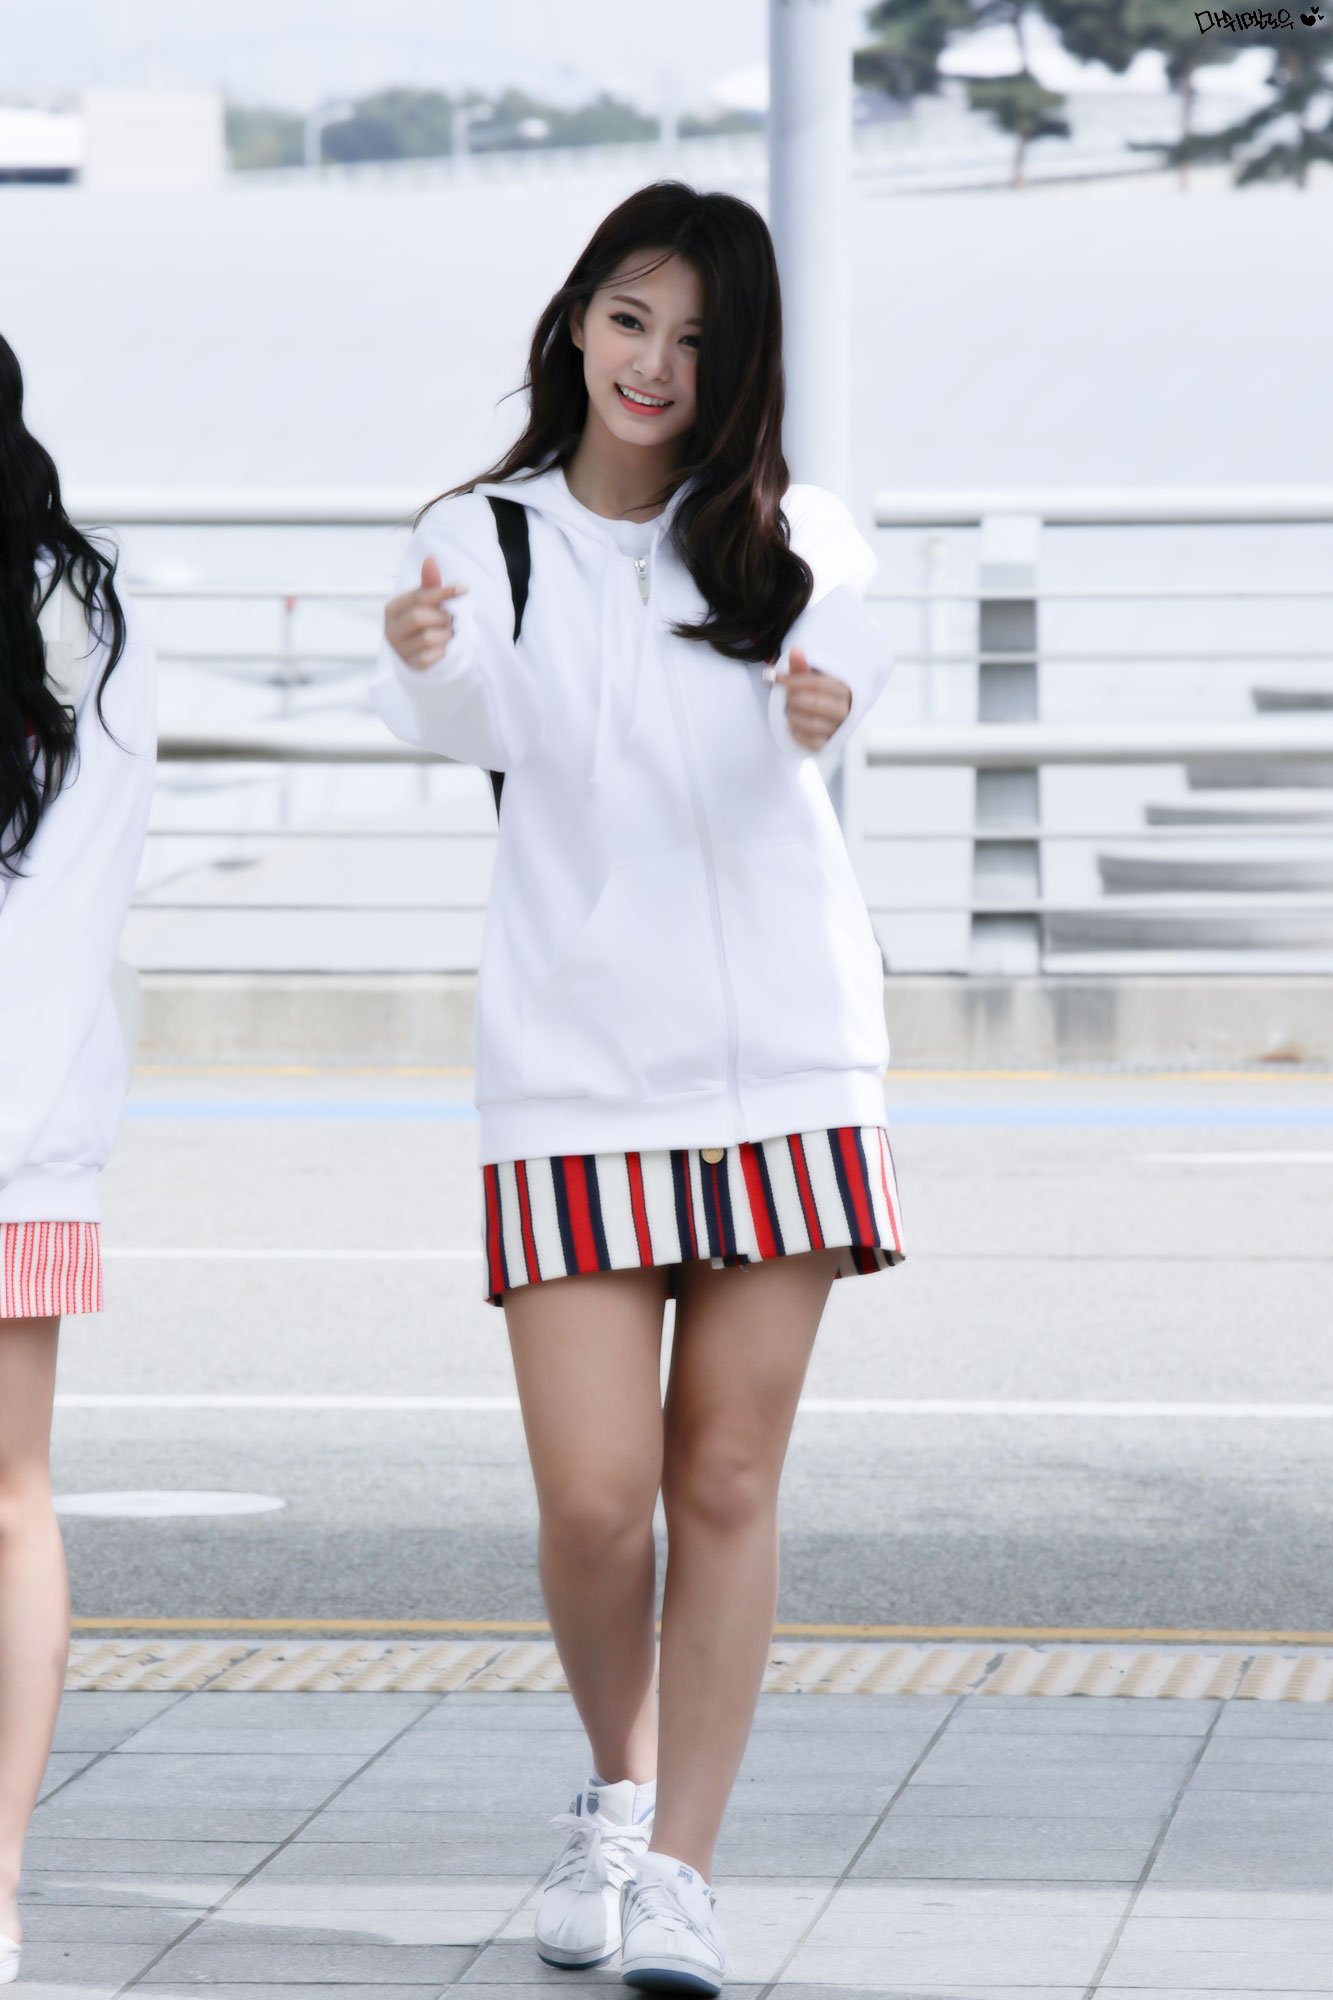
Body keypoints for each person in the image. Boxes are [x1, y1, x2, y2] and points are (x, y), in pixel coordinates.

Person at [370, 180, 905, 1997]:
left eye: (692, 336)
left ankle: (681, 1868)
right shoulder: (483, 534)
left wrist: (826, 703)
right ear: (576, 322)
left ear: (737, 359)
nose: (652, 364)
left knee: (727, 1476)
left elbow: (848, 662)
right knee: (599, 1499)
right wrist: (427, 663)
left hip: (785, 1068)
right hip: (574, 1074)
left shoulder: (792, 531)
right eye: (626, 319)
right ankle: (616, 1792)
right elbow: (468, 714)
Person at [0, 333, 157, 1987]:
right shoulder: (98, 617)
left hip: (25, 1130)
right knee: (12, 1505)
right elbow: (91, 888)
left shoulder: (85, 614)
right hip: (30, 1132)